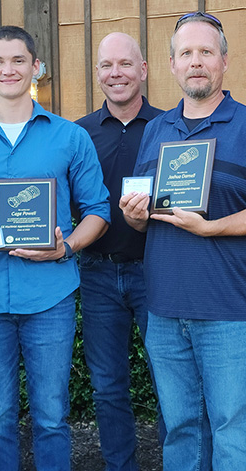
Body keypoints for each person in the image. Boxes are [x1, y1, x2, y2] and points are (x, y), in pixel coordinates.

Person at [0, 25, 110, 471]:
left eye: (18, 60)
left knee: (52, 416)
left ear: (35, 67)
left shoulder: (69, 137)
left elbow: (98, 209)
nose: (8, 69)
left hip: (49, 295)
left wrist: (66, 246)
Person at [120, 12, 246, 470]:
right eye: (186, 53)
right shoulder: (156, 130)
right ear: (172, 65)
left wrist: (213, 226)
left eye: (206, 52)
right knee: (180, 430)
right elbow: (149, 221)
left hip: (230, 311)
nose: (196, 62)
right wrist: (135, 216)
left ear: (224, 62)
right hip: (165, 308)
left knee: (234, 431)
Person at [75, 32, 163, 470]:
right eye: (107, 66)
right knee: (108, 386)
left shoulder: (169, 127)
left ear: (143, 70)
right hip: (97, 274)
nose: (116, 74)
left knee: (170, 382)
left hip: (157, 272)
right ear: (97, 74)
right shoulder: (78, 134)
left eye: (125, 64)